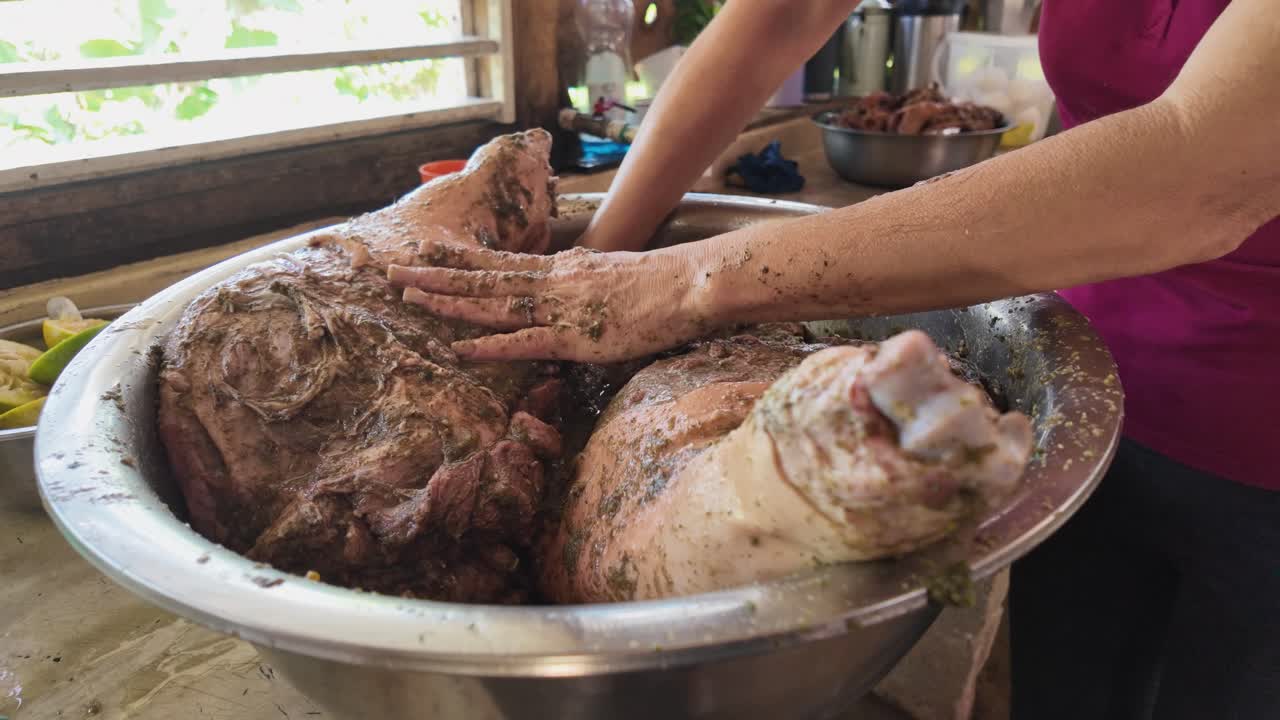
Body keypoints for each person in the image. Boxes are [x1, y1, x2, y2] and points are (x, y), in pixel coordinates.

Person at [396, 1, 1278, 717]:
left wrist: (688, 283)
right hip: (1082, 372)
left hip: (1263, 438)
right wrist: (598, 274)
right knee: (1073, 684)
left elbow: (1206, 168)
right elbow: (786, 13)